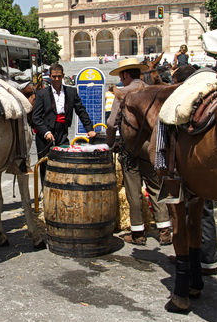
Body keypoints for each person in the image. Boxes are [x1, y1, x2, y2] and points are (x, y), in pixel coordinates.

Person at [106, 58, 172, 246]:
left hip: (131, 148)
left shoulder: (124, 93)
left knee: (133, 192)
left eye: (121, 76)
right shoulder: (153, 90)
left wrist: (110, 144)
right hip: (153, 145)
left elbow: (111, 123)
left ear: (125, 75)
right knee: (156, 188)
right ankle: (164, 231)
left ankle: (138, 233)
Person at [32, 63, 97, 181]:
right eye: (54, 76)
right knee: (45, 164)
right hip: (45, 134)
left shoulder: (71, 92)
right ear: (50, 77)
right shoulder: (42, 94)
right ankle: (44, 192)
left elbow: (81, 111)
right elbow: (35, 117)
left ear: (63, 76)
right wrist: (46, 132)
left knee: (63, 160)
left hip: (62, 132)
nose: (56, 79)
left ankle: (60, 189)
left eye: (59, 76)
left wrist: (89, 129)